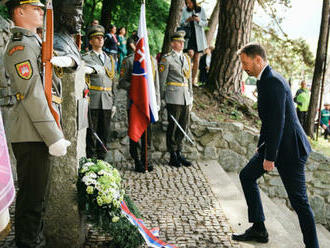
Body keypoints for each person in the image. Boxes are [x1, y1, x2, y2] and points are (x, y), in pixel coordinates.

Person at [233, 43, 319, 248]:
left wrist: (269, 156)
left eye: (246, 63)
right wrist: (262, 146)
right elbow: (269, 120)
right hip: (274, 145)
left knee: (299, 202)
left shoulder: (273, 82)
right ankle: (259, 229)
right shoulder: (265, 80)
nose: (244, 67)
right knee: (246, 176)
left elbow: (278, 122)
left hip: (291, 150)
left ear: (258, 60)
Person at [3, 1, 71, 247]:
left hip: (37, 130)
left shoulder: (35, 42)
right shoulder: (20, 47)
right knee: (32, 200)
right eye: (35, 8)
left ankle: (35, 242)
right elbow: (32, 94)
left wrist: (68, 62)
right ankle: (28, 243)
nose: (42, 12)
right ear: (19, 12)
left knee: (39, 198)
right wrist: (53, 136)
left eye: (42, 8)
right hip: (30, 132)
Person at [119, 38, 160, 173]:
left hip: (149, 103)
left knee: (148, 134)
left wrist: (157, 102)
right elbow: (122, 82)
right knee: (135, 131)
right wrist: (138, 87)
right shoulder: (129, 60)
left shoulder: (152, 61)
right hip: (135, 103)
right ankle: (136, 159)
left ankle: (146, 159)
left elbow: (156, 85)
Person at [158, 31, 193, 168]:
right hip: (173, 96)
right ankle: (172, 154)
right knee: (173, 126)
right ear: (173, 44)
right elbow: (162, 81)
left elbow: (189, 79)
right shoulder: (167, 59)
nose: (182, 44)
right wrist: (161, 98)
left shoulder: (186, 59)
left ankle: (179, 151)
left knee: (183, 125)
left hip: (185, 97)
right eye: (179, 42)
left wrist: (191, 96)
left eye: (183, 42)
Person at [82, 25, 117, 160]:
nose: (100, 40)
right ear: (91, 41)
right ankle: (90, 161)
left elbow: (112, 81)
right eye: (97, 38)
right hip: (93, 100)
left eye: (102, 37)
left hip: (107, 100)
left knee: (104, 133)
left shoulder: (110, 59)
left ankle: (102, 160)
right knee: (91, 133)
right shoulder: (86, 57)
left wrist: (113, 102)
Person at [180, 0, 208, 86]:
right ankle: (185, 77)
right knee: (190, 54)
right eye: (187, 3)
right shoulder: (185, 10)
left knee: (196, 59)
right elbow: (181, 23)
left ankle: (192, 81)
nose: (188, 5)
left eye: (190, 3)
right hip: (189, 37)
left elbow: (206, 23)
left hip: (199, 38)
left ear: (194, 2)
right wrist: (188, 20)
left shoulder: (201, 10)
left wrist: (199, 20)